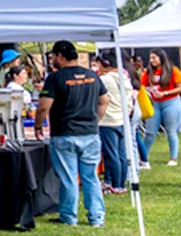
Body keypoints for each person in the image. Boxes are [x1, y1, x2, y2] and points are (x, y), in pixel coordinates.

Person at [36, 41, 108, 227]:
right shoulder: (93, 76)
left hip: (64, 134)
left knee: (69, 178)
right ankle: (96, 217)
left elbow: (44, 106)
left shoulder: (55, 78)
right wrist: (94, 121)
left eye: (52, 57)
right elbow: (104, 101)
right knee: (90, 177)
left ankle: (69, 217)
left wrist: (38, 126)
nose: (52, 60)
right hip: (90, 133)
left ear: (60, 56)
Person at [141, 49, 181, 167]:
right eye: (150, 58)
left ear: (161, 58)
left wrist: (166, 93)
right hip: (155, 103)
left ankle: (173, 158)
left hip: (171, 102)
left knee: (171, 131)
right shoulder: (148, 71)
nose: (152, 61)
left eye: (154, 58)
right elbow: (142, 85)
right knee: (150, 132)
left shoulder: (173, 70)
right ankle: (144, 158)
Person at [95, 56, 131, 195]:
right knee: (121, 154)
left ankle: (115, 184)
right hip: (121, 119)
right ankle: (120, 183)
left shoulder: (105, 80)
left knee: (111, 154)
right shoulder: (124, 78)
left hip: (108, 120)